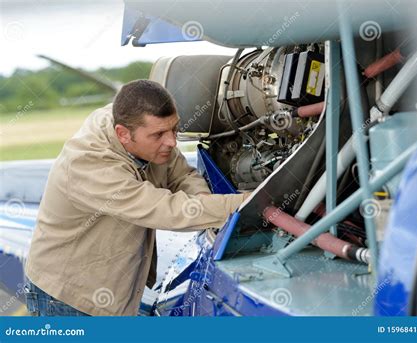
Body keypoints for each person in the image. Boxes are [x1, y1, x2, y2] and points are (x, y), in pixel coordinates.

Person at [24, 80, 249, 316]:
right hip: (67, 300)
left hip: (115, 292)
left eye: (175, 129)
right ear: (123, 134)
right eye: (159, 134)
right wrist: (247, 203)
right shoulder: (88, 163)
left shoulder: (138, 125)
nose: (172, 142)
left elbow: (182, 175)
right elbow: (164, 210)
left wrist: (202, 200)